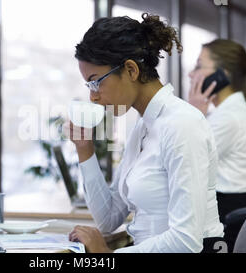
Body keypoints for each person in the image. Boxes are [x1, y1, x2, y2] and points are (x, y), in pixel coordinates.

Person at [63, 13, 224, 253]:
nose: (92, 97)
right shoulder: (143, 127)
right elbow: (108, 218)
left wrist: (108, 255)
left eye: (96, 82)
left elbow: (186, 241)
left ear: (130, 70)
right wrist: (85, 150)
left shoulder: (182, 125)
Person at [187, 39, 246, 224]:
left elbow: (186, 163)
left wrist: (192, 114)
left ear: (221, 75)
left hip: (230, 212)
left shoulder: (228, 117)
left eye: (199, 66)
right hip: (231, 206)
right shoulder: (228, 112)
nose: (191, 74)